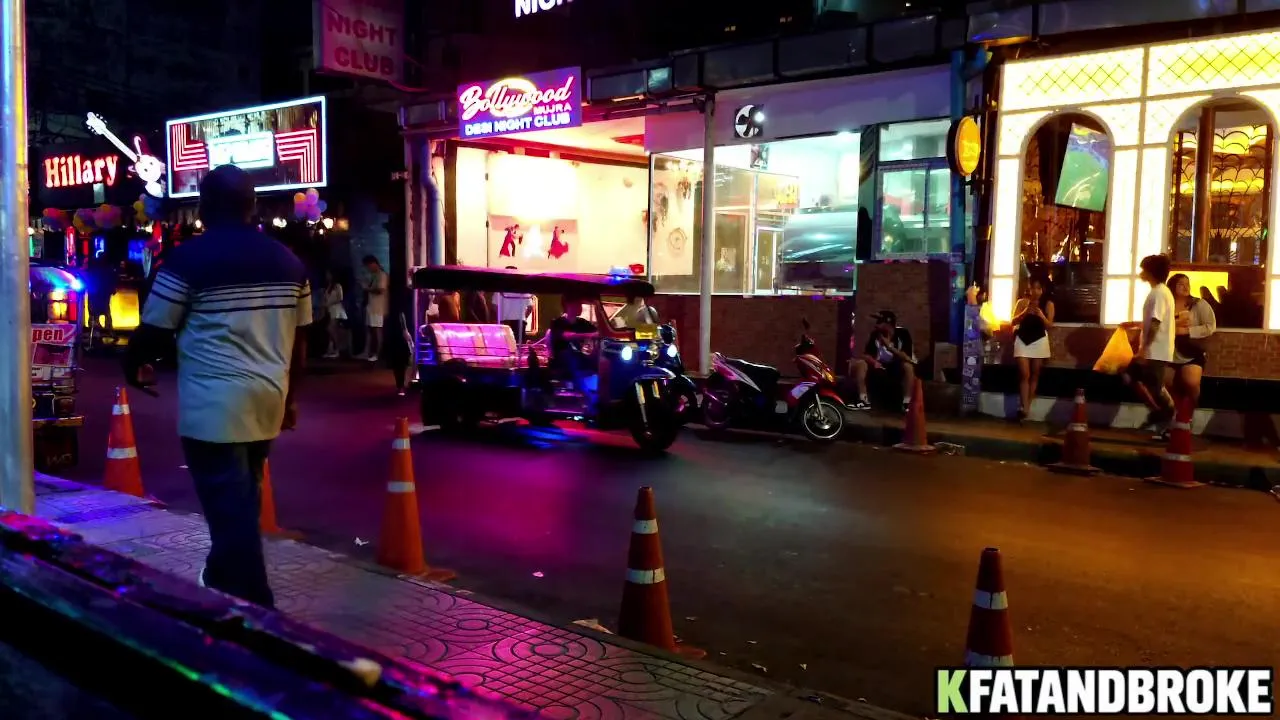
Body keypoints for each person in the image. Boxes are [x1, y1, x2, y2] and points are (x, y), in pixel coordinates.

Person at [123, 164, 311, 609]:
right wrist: (290, 399)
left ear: (203, 209)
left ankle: (257, 610)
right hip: (268, 398)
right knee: (242, 501)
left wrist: (133, 365)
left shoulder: (188, 261)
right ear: (253, 206)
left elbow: (154, 332)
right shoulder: (289, 262)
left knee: (230, 514)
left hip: (214, 407)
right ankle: (220, 586)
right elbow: (301, 341)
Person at [1123, 254, 1176, 433]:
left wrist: (1144, 349)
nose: (1141, 273)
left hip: (1156, 350)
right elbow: (1152, 321)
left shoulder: (1159, 293)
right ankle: (1158, 413)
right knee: (1133, 376)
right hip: (1155, 349)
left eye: (1143, 269)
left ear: (1151, 272)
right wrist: (1134, 324)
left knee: (1155, 387)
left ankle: (1168, 417)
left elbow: (1155, 323)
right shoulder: (1159, 292)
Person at [1168, 272, 1217, 418]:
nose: (1186, 287)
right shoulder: (1166, 305)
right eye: (1181, 284)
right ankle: (1172, 416)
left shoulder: (1198, 304)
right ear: (1172, 286)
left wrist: (1188, 331)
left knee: (1191, 382)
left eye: (1187, 284)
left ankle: (1192, 413)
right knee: (1166, 384)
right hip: (1169, 351)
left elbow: (1210, 326)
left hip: (1191, 351)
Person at [847, 310, 916, 412]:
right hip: (879, 366)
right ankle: (863, 400)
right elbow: (866, 355)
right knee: (860, 364)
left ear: (888, 323)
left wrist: (889, 347)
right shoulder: (875, 335)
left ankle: (906, 403)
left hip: (896, 366)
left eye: (879, 321)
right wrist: (874, 362)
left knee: (908, 366)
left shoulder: (903, 334)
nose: (876, 324)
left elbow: (907, 358)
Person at [1011, 274, 1055, 421]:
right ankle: (1024, 406)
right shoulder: (1022, 302)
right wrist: (1025, 313)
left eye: (1038, 288)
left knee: (1035, 374)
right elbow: (1012, 321)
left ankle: (1026, 407)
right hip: (1022, 339)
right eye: (1032, 288)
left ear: (1043, 289)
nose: (1035, 291)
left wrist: (1041, 315)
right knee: (1024, 374)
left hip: (1039, 340)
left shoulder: (1048, 304)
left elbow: (1050, 325)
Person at [549, 295, 598, 380]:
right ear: (568, 304)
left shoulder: (582, 322)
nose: (581, 307)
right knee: (569, 353)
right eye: (578, 304)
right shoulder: (557, 323)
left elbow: (598, 332)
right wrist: (590, 335)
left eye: (581, 304)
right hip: (562, 364)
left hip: (579, 360)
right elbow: (567, 336)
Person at [492, 266, 535, 343]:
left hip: (504, 322)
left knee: (505, 344)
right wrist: (523, 317)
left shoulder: (499, 290)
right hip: (519, 322)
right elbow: (530, 307)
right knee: (518, 345)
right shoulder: (523, 289)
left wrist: (499, 316)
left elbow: (494, 306)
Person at [359, 255, 388, 362]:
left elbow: (381, 290)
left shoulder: (382, 275)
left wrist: (367, 288)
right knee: (370, 330)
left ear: (373, 263)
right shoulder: (374, 275)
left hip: (378, 307)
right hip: (371, 307)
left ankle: (377, 354)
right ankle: (368, 352)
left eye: (368, 266)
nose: (368, 268)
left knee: (377, 331)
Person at [322, 270, 348, 359]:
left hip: (336, 309)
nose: (327, 276)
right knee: (331, 331)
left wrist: (330, 303)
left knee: (331, 329)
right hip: (330, 310)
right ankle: (330, 350)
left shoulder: (337, 286)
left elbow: (340, 298)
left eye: (329, 274)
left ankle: (337, 349)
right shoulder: (328, 286)